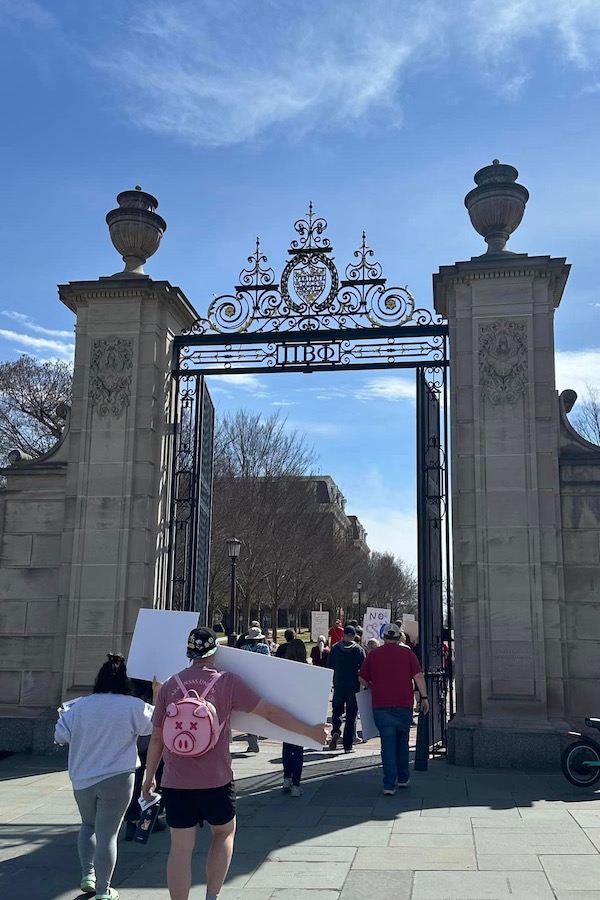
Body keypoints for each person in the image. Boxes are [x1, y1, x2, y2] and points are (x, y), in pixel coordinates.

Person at [142, 627, 327, 900]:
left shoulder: (170, 685)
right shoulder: (226, 681)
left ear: (189, 653)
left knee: (180, 849)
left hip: (176, 780)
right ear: (214, 652)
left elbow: (157, 737)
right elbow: (269, 712)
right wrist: (310, 732)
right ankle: (212, 896)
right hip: (216, 779)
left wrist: (149, 779)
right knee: (224, 833)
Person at [54, 653, 160, 900]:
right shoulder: (132, 706)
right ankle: (103, 889)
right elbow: (156, 724)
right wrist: (157, 692)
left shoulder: (79, 706)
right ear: (126, 681)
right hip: (118, 776)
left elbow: (60, 736)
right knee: (109, 833)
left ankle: (87, 874)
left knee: (88, 825)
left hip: (82, 776)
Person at [359, 622, 429, 795]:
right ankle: (403, 777)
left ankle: (389, 783)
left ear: (384, 637)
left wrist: (372, 687)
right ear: (398, 637)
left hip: (381, 704)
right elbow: (418, 676)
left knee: (387, 744)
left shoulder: (374, 655)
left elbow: (361, 678)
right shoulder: (407, 653)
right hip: (404, 704)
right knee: (402, 743)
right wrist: (424, 697)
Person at [327, 625, 366, 753]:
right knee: (351, 715)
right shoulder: (359, 650)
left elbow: (329, 666)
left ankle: (336, 731)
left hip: (338, 684)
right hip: (353, 686)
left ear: (343, 635)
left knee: (337, 712)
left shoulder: (335, 649)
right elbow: (364, 669)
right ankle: (347, 744)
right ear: (354, 636)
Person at [281, 637, 308, 796]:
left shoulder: (284, 668)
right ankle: (296, 784)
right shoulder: (306, 669)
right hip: (300, 711)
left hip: (285, 710)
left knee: (286, 746)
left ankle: (286, 777)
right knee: (298, 748)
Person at [239, 626, 271, 752]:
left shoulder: (243, 649)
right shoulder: (264, 648)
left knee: (248, 711)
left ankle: (252, 739)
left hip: (246, 683)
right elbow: (269, 664)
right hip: (260, 683)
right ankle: (256, 734)